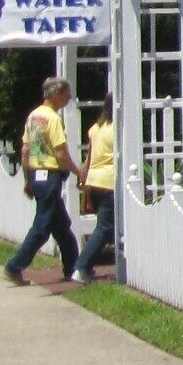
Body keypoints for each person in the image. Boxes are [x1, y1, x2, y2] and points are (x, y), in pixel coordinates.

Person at [4, 76, 81, 285]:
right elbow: (60, 153)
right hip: (50, 175)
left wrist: (28, 180)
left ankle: (73, 267)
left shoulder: (33, 116)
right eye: (66, 93)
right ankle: (15, 265)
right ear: (57, 94)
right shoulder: (53, 119)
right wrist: (78, 172)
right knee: (42, 226)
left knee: (61, 225)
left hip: (37, 175)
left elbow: (26, 150)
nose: (69, 97)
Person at [71, 105, 116, 284]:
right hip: (108, 181)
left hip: (94, 181)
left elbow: (89, 157)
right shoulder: (116, 129)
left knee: (106, 226)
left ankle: (86, 267)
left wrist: (83, 178)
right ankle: (81, 267)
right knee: (104, 228)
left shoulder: (95, 129)